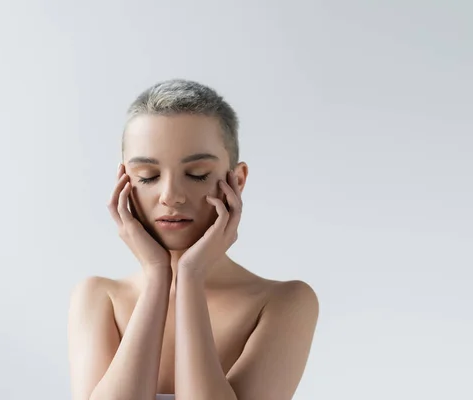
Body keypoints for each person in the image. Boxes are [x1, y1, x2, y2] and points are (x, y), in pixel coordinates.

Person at [67, 79, 320, 400]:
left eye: (197, 174)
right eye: (148, 176)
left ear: (237, 180)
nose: (171, 196)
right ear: (124, 183)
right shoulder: (99, 297)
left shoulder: (284, 303)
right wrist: (159, 275)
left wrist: (190, 276)